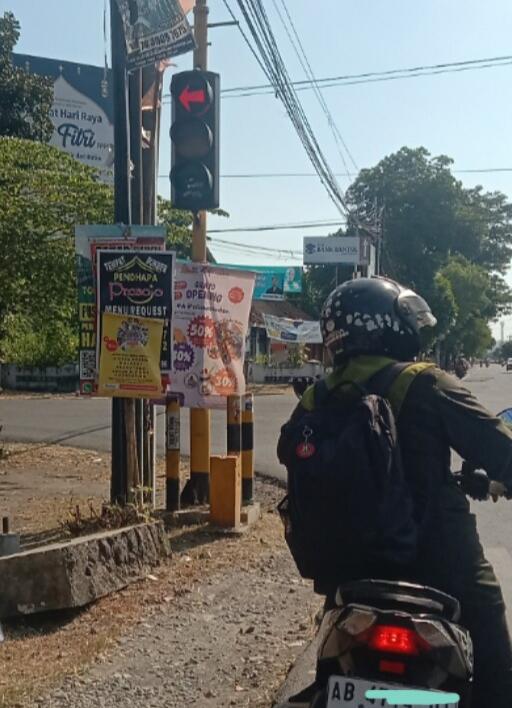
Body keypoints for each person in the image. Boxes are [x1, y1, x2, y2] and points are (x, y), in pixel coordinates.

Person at [282, 276, 512, 707]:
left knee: (333, 652)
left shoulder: (314, 399)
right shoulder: (426, 382)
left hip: (348, 573)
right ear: (389, 325)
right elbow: (502, 451)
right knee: (491, 631)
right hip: (443, 564)